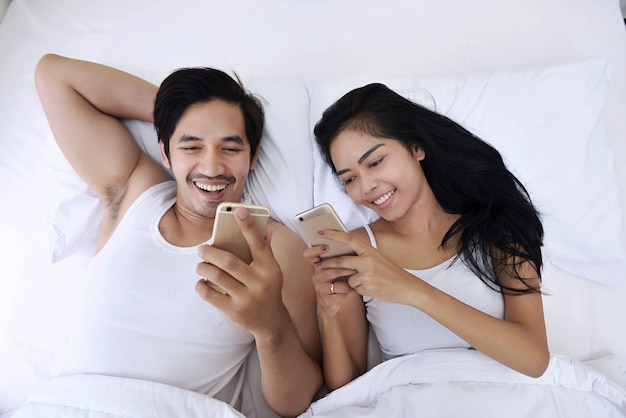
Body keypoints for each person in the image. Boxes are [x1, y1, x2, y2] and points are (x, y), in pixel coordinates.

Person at [34, 53, 322, 417]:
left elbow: (295, 403)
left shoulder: (276, 248)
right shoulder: (135, 192)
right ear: (166, 153)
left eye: (231, 148)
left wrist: (270, 328)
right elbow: (55, 76)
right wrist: (174, 113)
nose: (212, 167)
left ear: (253, 157)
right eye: (191, 146)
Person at [305, 82, 550, 391]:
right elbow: (347, 387)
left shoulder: (496, 223)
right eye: (350, 179)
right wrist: (329, 314)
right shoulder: (357, 250)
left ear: (416, 148)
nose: (366, 187)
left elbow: (534, 358)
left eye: (376, 162)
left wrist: (411, 289)